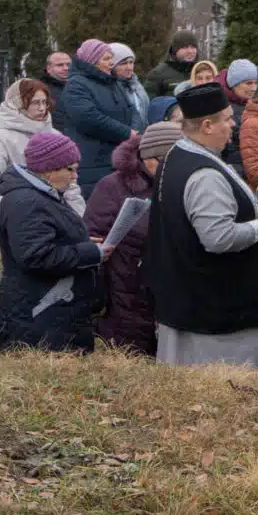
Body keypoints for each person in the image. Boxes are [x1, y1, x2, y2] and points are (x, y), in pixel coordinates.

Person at [145, 84, 258, 371]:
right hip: (218, 317)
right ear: (207, 125)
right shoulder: (204, 174)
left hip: (189, 302)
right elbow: (218, 238)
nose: (234, 124)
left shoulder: (175, 157)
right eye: (227, 118)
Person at [0, 129, 105, 352]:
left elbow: (47, 238)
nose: (75, 176)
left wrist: (79, 241)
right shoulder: (27, 202)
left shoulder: (40, 195)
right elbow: (36, 256)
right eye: (70, 169)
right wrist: (91, 253)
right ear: (49, 170)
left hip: (47, 317)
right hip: (37, 321)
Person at [86, 123, 181, 357]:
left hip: (170, 290)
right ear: (148, 158)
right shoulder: (113, 186)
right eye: (167, 162)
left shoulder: (180, 183)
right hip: (125, 289)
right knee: (132, 356)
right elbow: (92, 235)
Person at [0, 80, 86, 230]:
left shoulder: (55, 137)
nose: (42, 108)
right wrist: (11, 221)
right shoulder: (2, 139)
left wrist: (80, 223)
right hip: (21, 224)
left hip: (60, 224)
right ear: (18, 104)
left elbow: (71, 186)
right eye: (35, 103)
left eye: (45, 102)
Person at [63, 39, 137, 198]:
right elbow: (88, 118)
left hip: (117, 158)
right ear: (91, 60)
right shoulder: (77, 85)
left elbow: (129, 110)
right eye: (106, 59)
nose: (111, 63)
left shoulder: (113, 83)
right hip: (93, 162)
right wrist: (127, 133)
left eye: (111, 58)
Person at [143, 32, 201, 99]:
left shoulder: (202, 70)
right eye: (185, 47)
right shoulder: (158, 73)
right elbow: (149, 101)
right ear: (175, 50)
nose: (190, 51)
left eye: (193, 47)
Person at [110, 44, 151, 132]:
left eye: (131, 62)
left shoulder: (137, 85)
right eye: (123, 63)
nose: (129, 68)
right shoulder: (109, 88)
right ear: (112, 66)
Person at [39, 51, 71, 128]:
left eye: (69, 64)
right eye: (60, 65)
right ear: (49, 69)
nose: (66, 68)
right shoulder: (41, 90)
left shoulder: (81, 87)